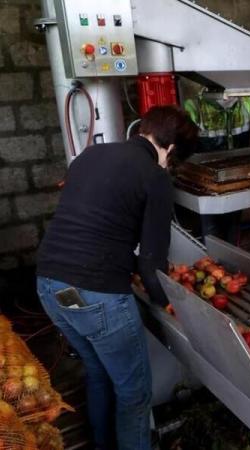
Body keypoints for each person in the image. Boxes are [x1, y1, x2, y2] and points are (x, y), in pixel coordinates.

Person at [36, 105, 198, 450]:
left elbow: (94, 221)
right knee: (134, 394)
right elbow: (152, 262)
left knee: (98, 372)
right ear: (170, 149)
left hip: (50, 286)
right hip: (99, 296)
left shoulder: (91, 154)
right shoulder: (155, 176)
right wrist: (167, 306)